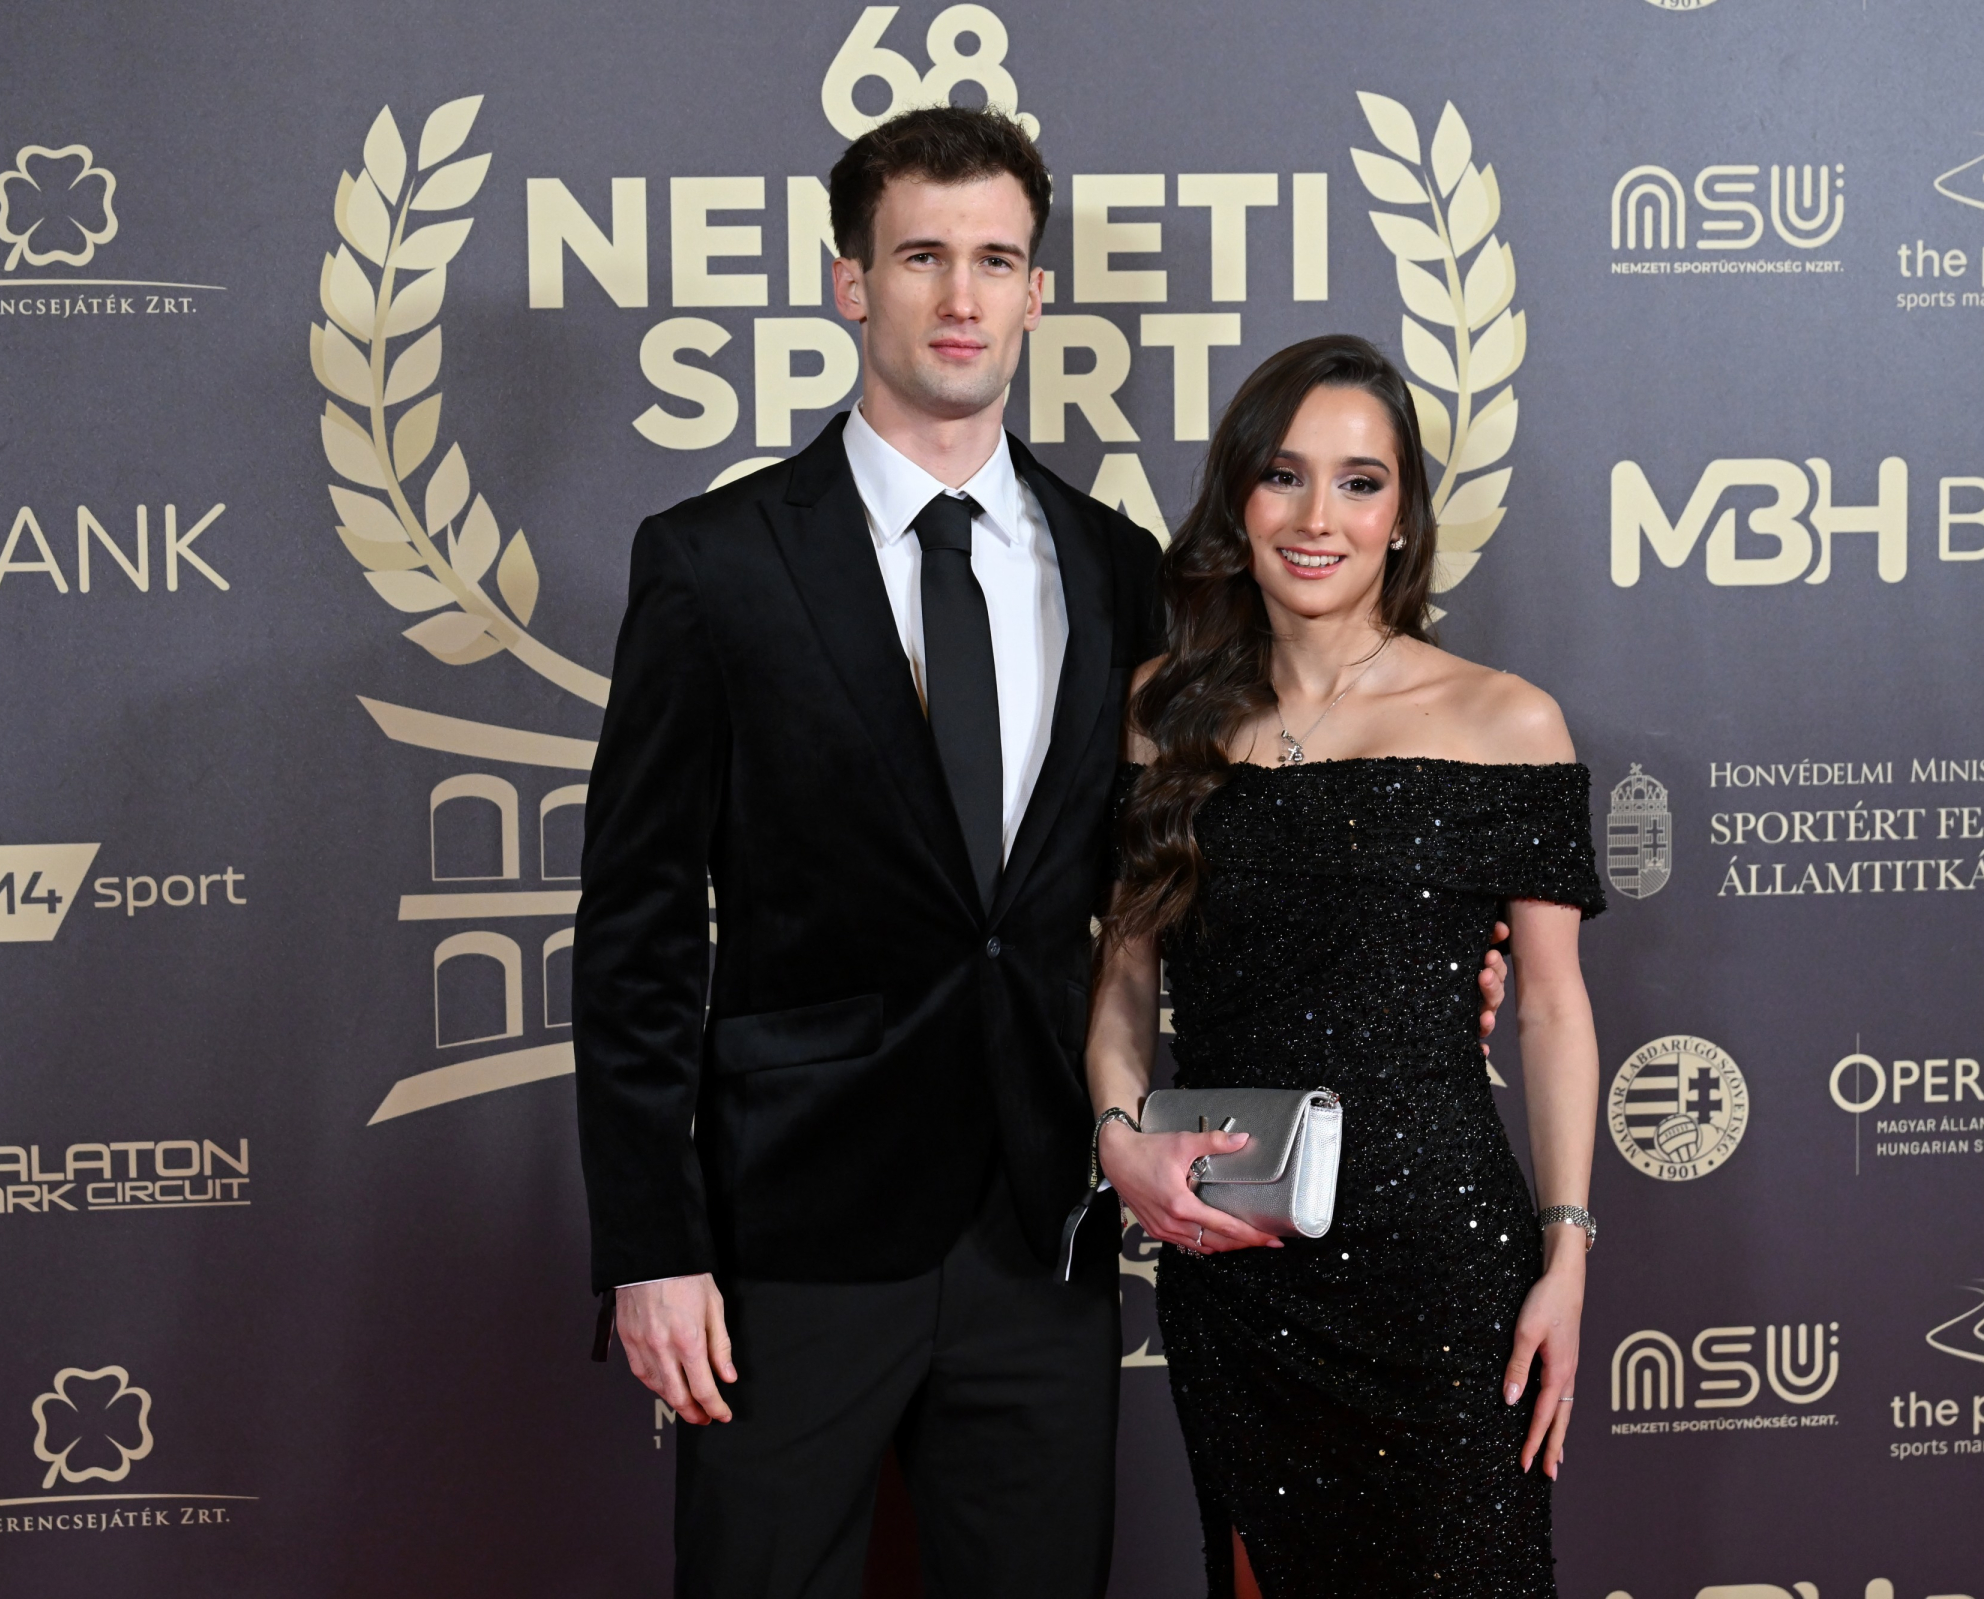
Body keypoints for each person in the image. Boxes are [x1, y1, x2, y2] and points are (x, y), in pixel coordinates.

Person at [570, 107, 1164, 1598]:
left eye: (996, 260)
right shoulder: (713, 562)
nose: (962, 296)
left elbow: (1159, 881)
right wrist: (652, 1244)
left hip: (1041, 1230)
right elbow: (640, 930)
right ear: (851, 283)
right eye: (920, 257)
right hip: (791, 1235)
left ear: (1038, 292)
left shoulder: (1118, 567)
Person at [1085, 334, 1604, 1599]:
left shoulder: (1506, 720)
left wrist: (1567, 1256)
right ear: (1239, 501)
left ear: (1405, 515)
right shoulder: (1159, 715)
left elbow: (1548, 1007)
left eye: (1360, 482)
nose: (1318, 517)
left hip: (1440, 1263)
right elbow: (1121, 980)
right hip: (1236, 1254)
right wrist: (1117, 1133)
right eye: (1284, 475)